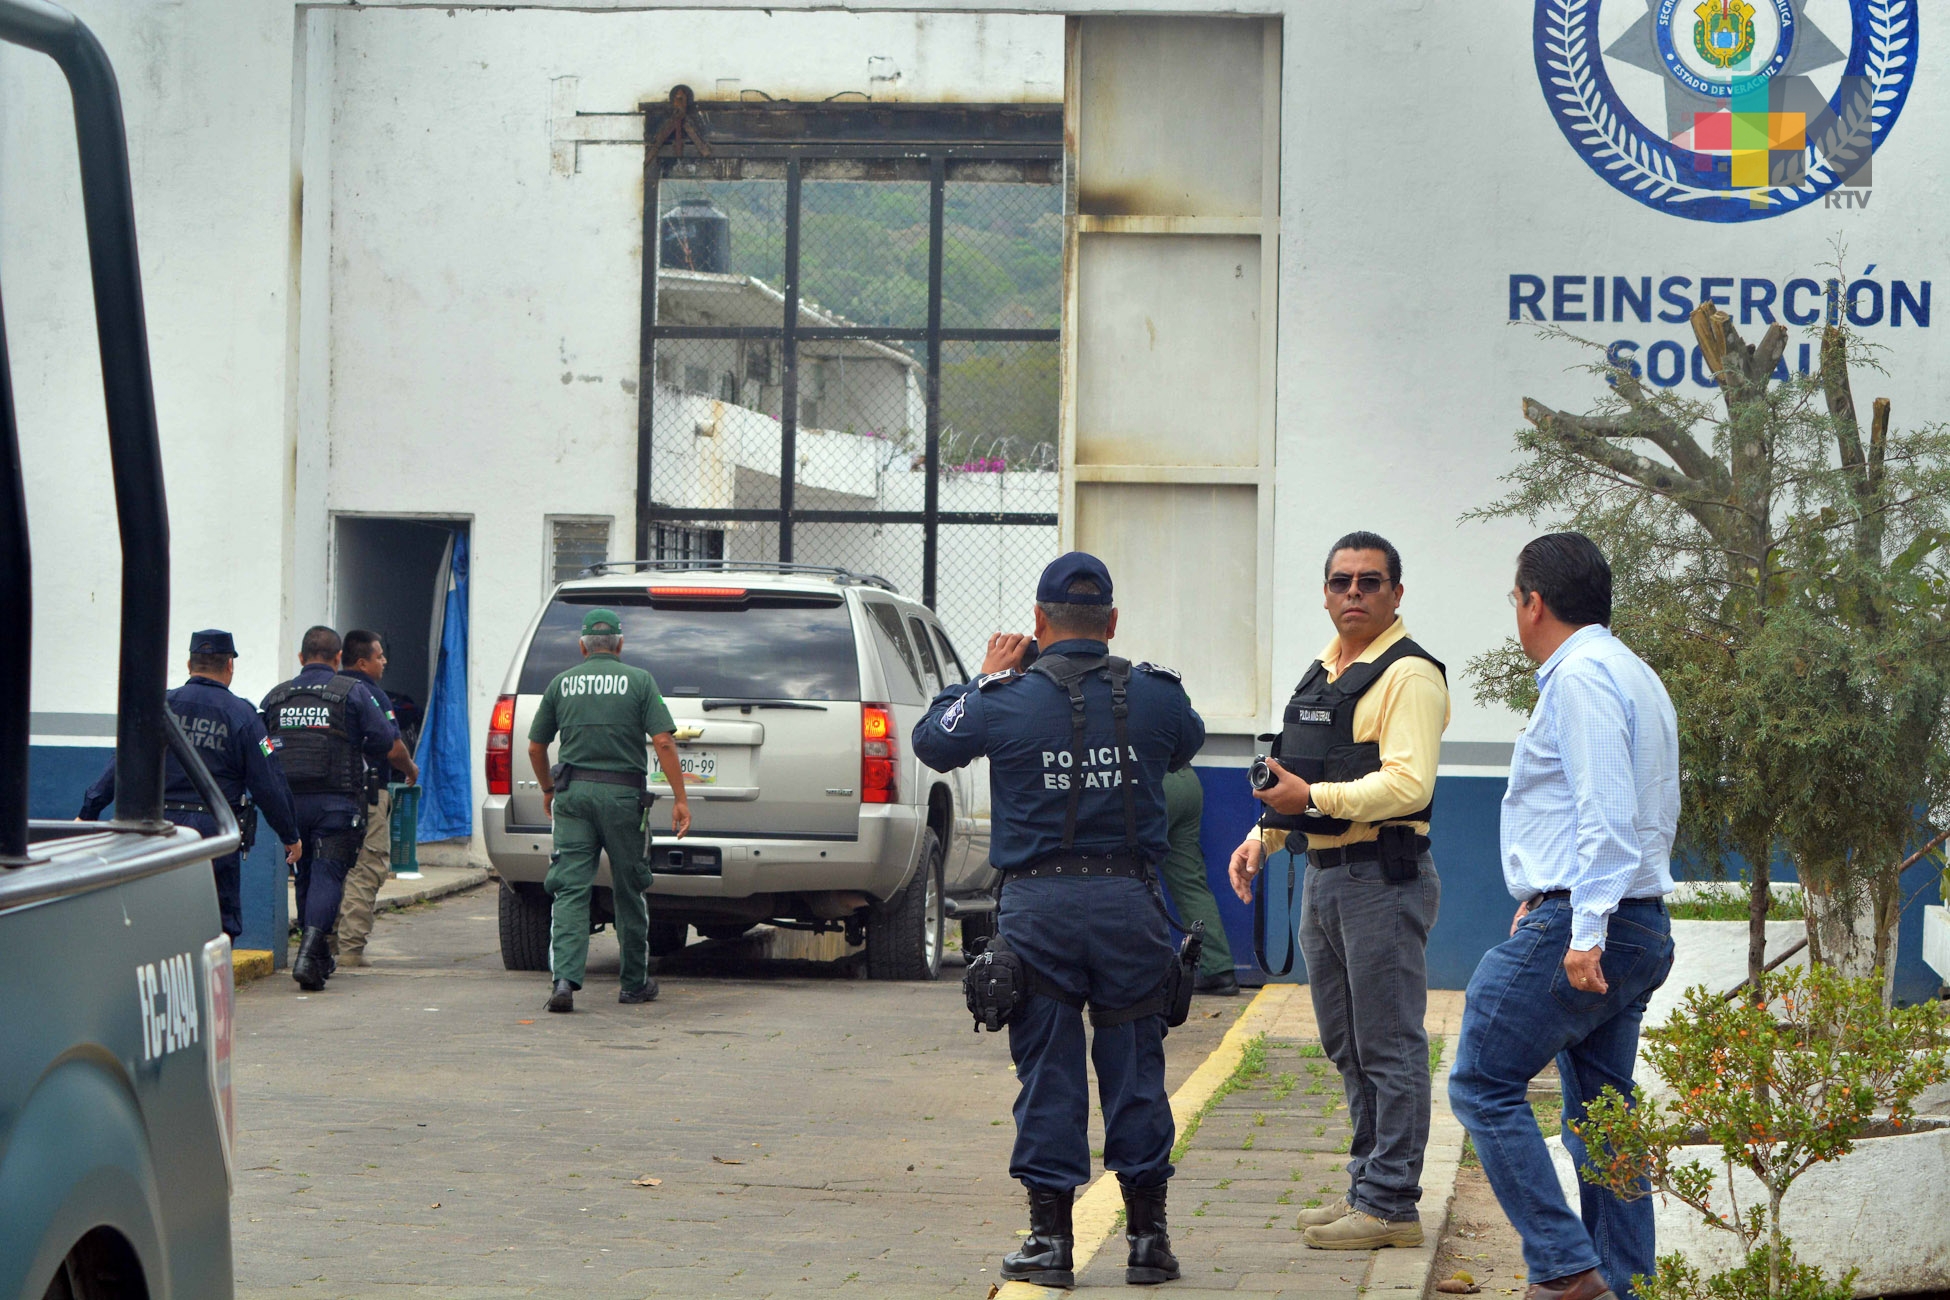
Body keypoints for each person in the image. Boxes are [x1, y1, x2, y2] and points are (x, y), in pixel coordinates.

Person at [913, 552, 1205, 1289]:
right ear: (1112, 623)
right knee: (1136, 1065)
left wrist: (983, 675)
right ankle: (1148, 1242)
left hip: (1038, 909)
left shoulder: (1004, 697)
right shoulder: (1157, 697)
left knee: (1047, 1070)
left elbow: (932, 741)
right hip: (1129, 905)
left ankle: (1050, 1244)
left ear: (1040, 625)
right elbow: (1185, 744)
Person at [1447, 533, 1677, 1300]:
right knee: (1603, 1118)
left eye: (1515, 600)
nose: (1515, 613)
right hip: (1634, 920)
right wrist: (1550, 904)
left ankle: (1566, 1268)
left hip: (1598, 920)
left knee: (1482, 1079)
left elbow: (1605, 813)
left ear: (1533, 603)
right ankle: (1623, 1285)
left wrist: (1581, 928)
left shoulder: (1578, 677)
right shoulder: (1633, 673)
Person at [1226, 531, 1450, 1250]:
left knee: (1388, 1044)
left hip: (1381, 879)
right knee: (1346, 1044)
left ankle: (1391, 1205)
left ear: (1396, 593)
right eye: (1342, 581)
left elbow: (1408, 784)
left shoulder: (1408, 675)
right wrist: (1264, 838)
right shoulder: (1325, 672)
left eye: (1370, 581)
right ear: (1325, 592)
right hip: (1326, 877)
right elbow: (1298, 776)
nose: (1354, 592)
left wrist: (1308, 796)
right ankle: (1367, 1184)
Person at [79, 629, 303, 940]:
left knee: (154, 917)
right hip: (214, 831)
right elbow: (269, 784)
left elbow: (121, 764)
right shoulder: (245, 716)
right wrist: (289, 833)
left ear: (189, 665)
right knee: (218, 924)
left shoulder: (159, 707)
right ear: (229, 666)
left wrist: (88, 811)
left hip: (158, 828)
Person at [525, 607, 691, 1014]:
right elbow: (665, 742)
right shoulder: (639, 681)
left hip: (573, 798)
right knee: (629, 888)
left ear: (581, 645)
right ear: (620, 644)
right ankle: (634, 983)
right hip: (622, 800)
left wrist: (548, 789)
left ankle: (564, 979)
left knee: (570, 888)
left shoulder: (561, 683)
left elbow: (535, 746)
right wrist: (681, 799)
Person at [261, 625, 401, 991]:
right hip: (336, 803)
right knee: (326, 874)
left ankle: (317, 953)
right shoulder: (351, 692)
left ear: (301, 658)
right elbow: (385, 739)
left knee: (305, 874)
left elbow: (261, 746)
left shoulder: (276, 697)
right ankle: (310, 952)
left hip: (290, 804)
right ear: (339, 659)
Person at [331, 629, 420, 968]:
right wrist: (411, 769)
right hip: (367, 795)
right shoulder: (371, 695)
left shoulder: (326, 691)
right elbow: (392, 746)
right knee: (366, 868)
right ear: (362, 662)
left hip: (325, 797)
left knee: (329, 868)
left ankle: (322, 940)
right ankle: (351, 949)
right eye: (380, 656)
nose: (385, 662)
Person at [1159, 765, 1239, 996]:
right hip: (1185, 780)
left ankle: (1129, 974)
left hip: (1150, 781)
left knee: (1121, 874)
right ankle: (1218, 971)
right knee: (1189, 883)